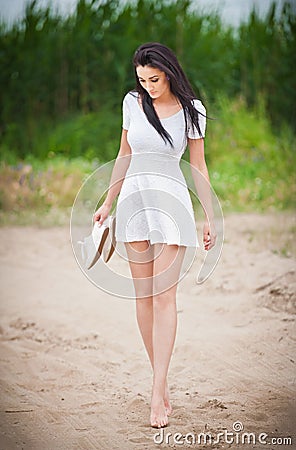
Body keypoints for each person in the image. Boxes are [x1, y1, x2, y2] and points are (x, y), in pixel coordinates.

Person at [93, 42, 216, 428]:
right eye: (142, 79)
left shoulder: (193, 111)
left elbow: (198, 165)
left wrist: (210, 216)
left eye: (154, 79)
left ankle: (156, 389)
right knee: (143, 296)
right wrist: (107, 203)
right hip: (134, 200)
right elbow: (123, 156)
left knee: (166, 297)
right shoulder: (133, 102)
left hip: (173, 202)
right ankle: (160, 385)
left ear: (170, 73)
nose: (147, 86)